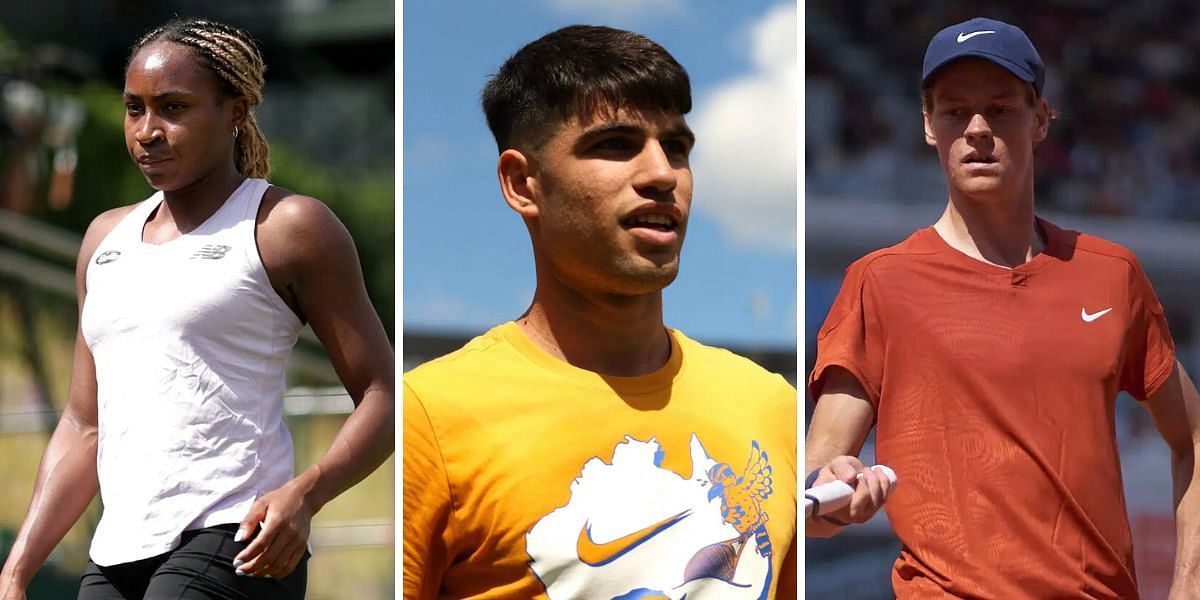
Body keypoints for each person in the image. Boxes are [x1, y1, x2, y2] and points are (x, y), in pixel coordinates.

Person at [805, 16, 1200, 598]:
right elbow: (814, 487)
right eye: (955, 110)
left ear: (1041, 118)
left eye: (1001, 108)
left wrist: (1188, 586)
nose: (978, 128)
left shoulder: (1112, 275)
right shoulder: (879, 282)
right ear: (928, 126)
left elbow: (1192, 436)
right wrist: (837, 493)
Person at [0, 18, 394, 600]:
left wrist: (304, 495)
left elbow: (382, 394)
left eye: (174, 108)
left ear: (235, 111)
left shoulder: (288, 227)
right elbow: (84, 426)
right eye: (134, 109)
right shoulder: (103, 241)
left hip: (240, 535)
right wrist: (16, 572)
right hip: (118, 548)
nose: (147, 131)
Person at [403, 25, 796, 599]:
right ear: (521, 183)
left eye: (677, 147)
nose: (663, 174)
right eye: (615, 144)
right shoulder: (432, 419)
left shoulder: (770, 408)